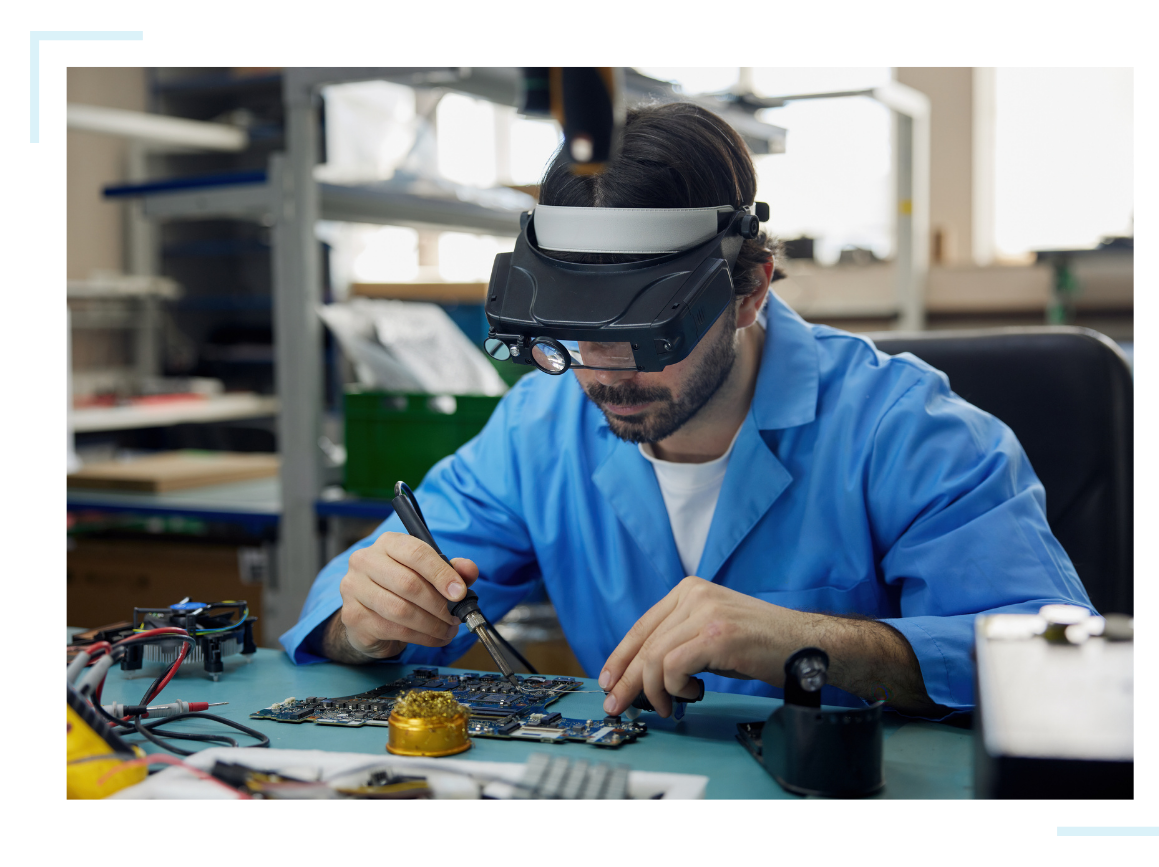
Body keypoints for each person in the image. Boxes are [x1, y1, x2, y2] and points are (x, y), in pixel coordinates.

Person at [281, 102, 1094, 721]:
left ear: (750, 288)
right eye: (573, 340)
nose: (601, 374)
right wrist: (366, 619)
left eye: (643, 337)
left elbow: (1060, 664)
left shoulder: (906, 429)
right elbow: (351, 602)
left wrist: (809, 643)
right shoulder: (540, 429)